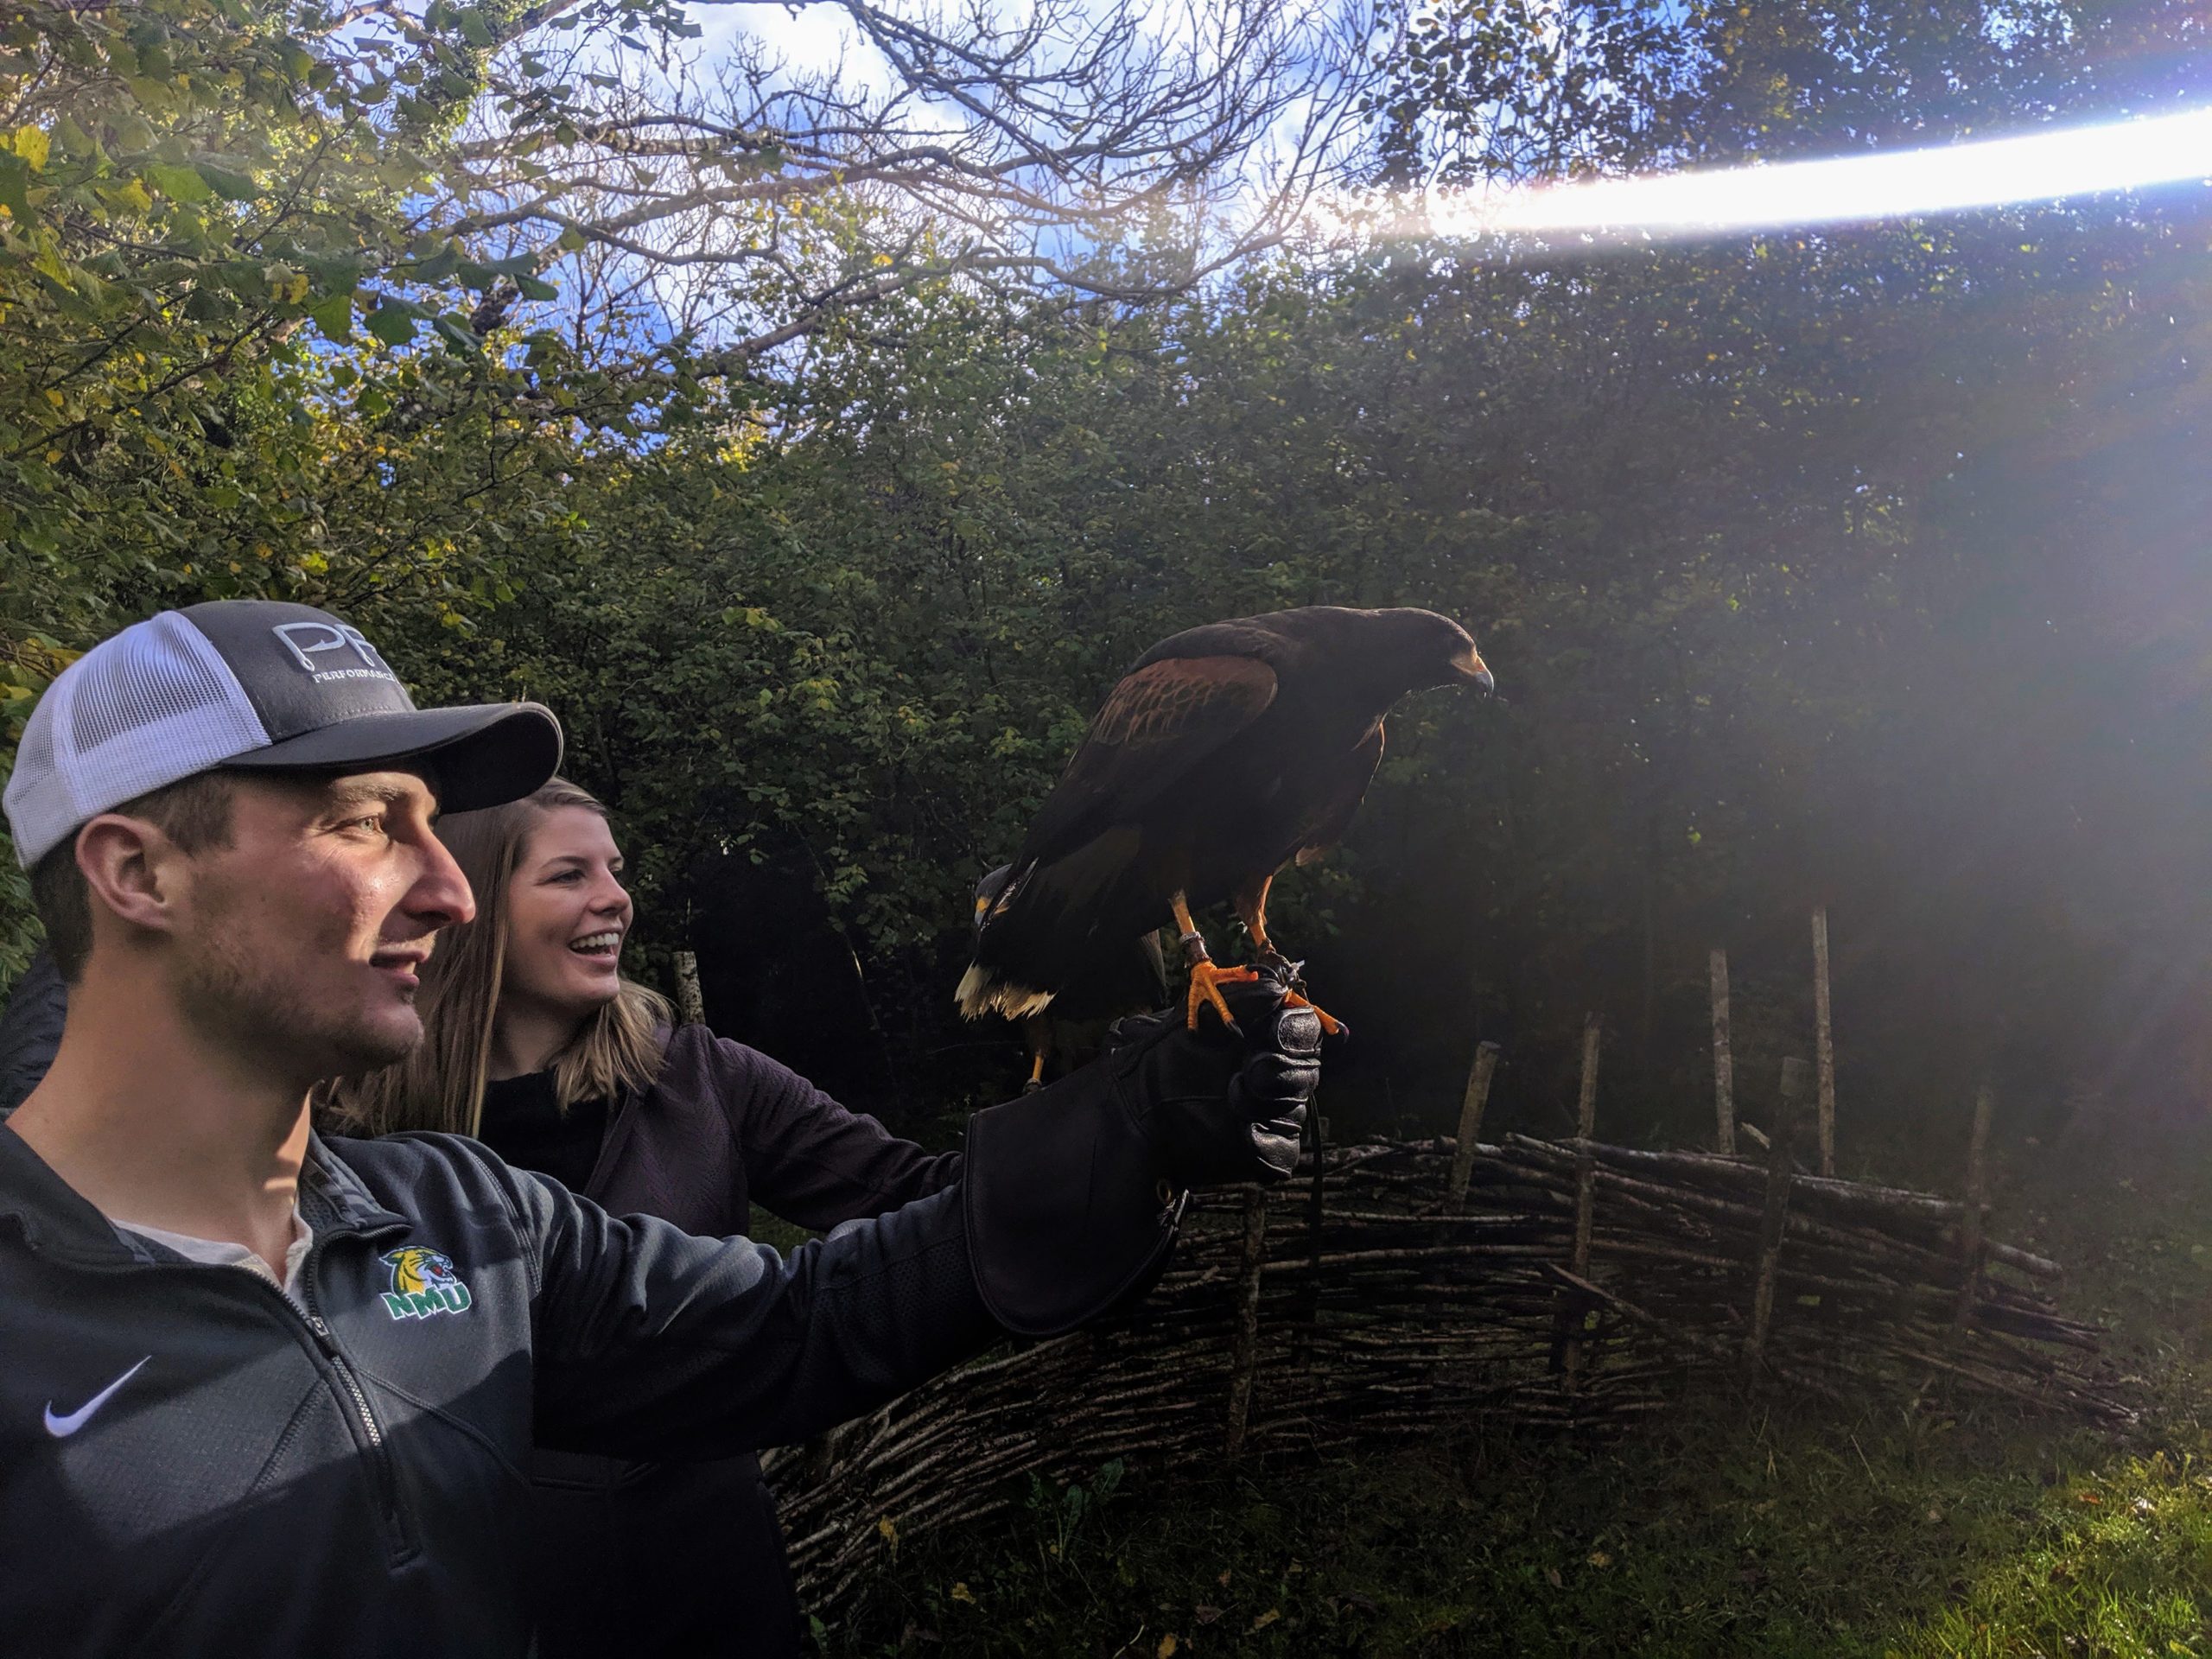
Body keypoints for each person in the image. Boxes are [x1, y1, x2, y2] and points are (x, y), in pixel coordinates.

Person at [0, 600, 1320, 1657]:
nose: (450, 889)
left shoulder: (462, 1218)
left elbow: (805, 1324)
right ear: (137, 873)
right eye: (365, 825)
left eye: (437, 831)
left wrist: (1128, 1126)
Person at [323, 777, 957, 1656]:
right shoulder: (349, 1136)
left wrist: (1111, 1133)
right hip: (487, 1596)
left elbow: (920, 1195)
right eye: (568, 874)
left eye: (614, 870)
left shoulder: (707, 1080)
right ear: (468, 904)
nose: (615, 897)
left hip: (711, 1571)